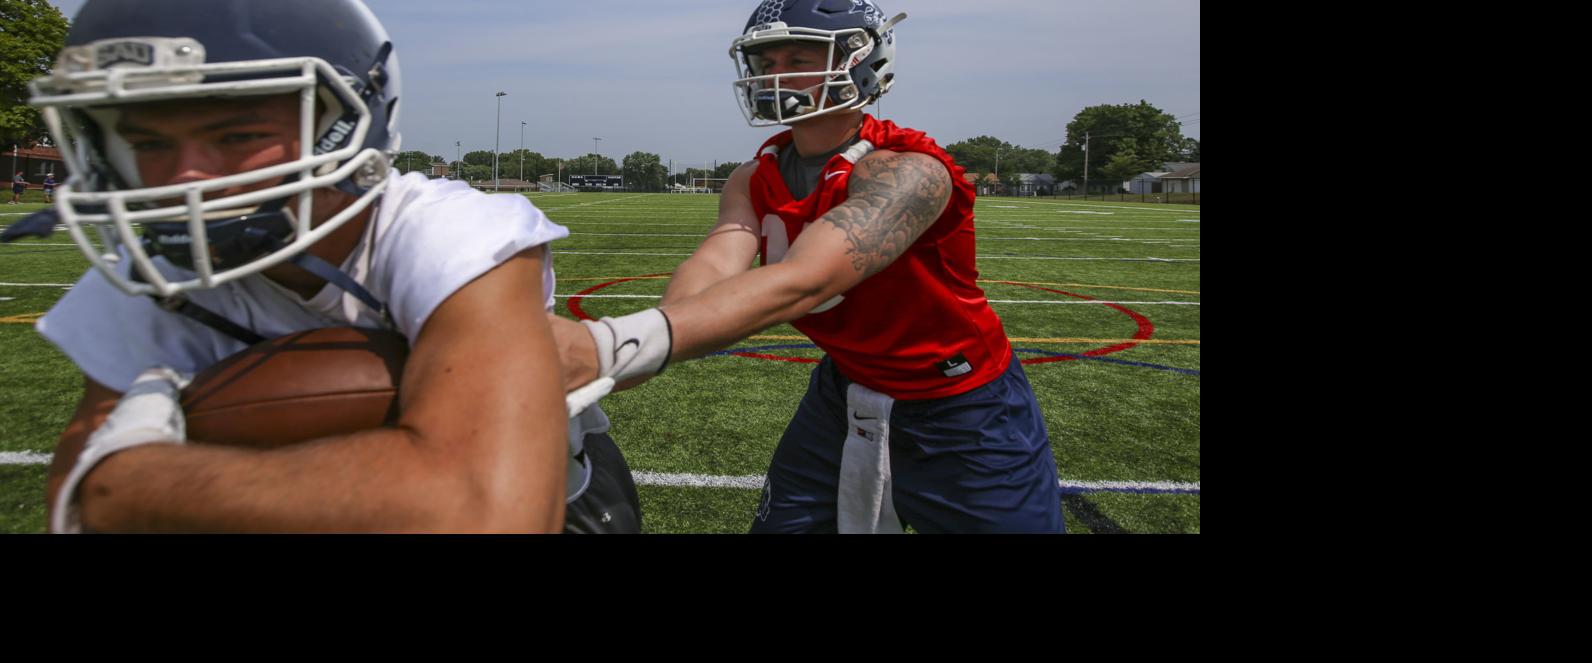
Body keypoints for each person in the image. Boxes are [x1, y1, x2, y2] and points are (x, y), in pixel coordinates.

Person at [11, 0, 638, 533]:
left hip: (572, 506)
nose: (186, 177)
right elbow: (74, 502)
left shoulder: (445, 231)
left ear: (343, 126)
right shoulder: (148, 268)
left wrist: (136, 481)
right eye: (148, 143)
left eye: (236, 136)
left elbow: (486, 513)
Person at [551, 0, 1063, 533]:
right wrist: (625, 361)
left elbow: (805, 281)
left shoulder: (909, 171)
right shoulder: (754, 175)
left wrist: (600, 348)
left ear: (862, 60)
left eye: (798, 57)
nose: (775, 75)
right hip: (843, 389)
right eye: (766, 62)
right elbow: (712, 266)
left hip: (961, 406)